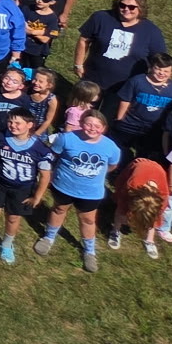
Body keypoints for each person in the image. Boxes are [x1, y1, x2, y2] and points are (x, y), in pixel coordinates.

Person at [36, 109, 124, 272]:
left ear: (104, 128)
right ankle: (49, 237)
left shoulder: (110, 147)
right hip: (63, 186)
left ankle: (89, 251)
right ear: (81, 124)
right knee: (58, 209)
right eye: (88, 124)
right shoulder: (67, 138)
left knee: (88, 220)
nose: (92, 128)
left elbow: (111, 165)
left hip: (90, 192)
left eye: (97, 126)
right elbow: (53, 155)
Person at [0, 107, 52, 265]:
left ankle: (7, 244)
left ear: (30, 125)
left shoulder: (40, 149)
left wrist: (37, 196)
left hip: (22, 188)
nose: (12, 125)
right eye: (10, 121)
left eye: (17, 123)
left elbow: (45, 175)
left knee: (13, 217)